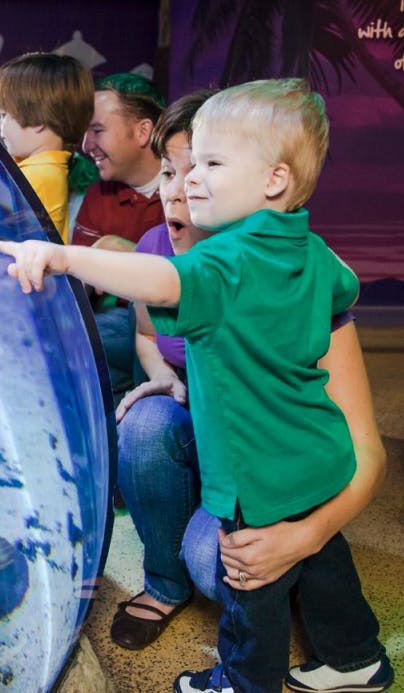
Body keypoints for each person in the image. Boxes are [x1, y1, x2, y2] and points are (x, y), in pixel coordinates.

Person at [0, 78, 394, 693]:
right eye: (188, 164)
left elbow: (161, 280)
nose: (192, 179)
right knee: (324, 561)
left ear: (273, 180)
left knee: (251, 582)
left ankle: (243, 681)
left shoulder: (227, 262)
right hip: (316, 452)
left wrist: (63, 257)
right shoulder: (310, 251)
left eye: (212, 164)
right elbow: (344, 285)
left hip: (256, 472)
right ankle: (357, 657)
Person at [109, 90, 388, 669]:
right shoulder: (153, 252)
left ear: (266, 182)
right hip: (201, 430)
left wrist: (303, 536)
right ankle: (162, 582)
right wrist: (163, 376)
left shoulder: (290, 268)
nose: (181, 187)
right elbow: (144, 334)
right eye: (169, 171)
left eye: (207, 167)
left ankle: (254, 664)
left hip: (257, 453)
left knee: (226, 566)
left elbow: (364, 448)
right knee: (144, 423)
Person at [72, 72, 167, 403]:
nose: (86, 145)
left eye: (97, 130)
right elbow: (79, 289)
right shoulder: (99, 196)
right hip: (112, 334)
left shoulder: (188, 192)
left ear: (143, 131)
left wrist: (128, 256)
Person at [0, 52, 93, 243]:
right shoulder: (56, 164)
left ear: (38, 121)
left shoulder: (39, 174)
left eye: (4, 115)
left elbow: (28, 241)